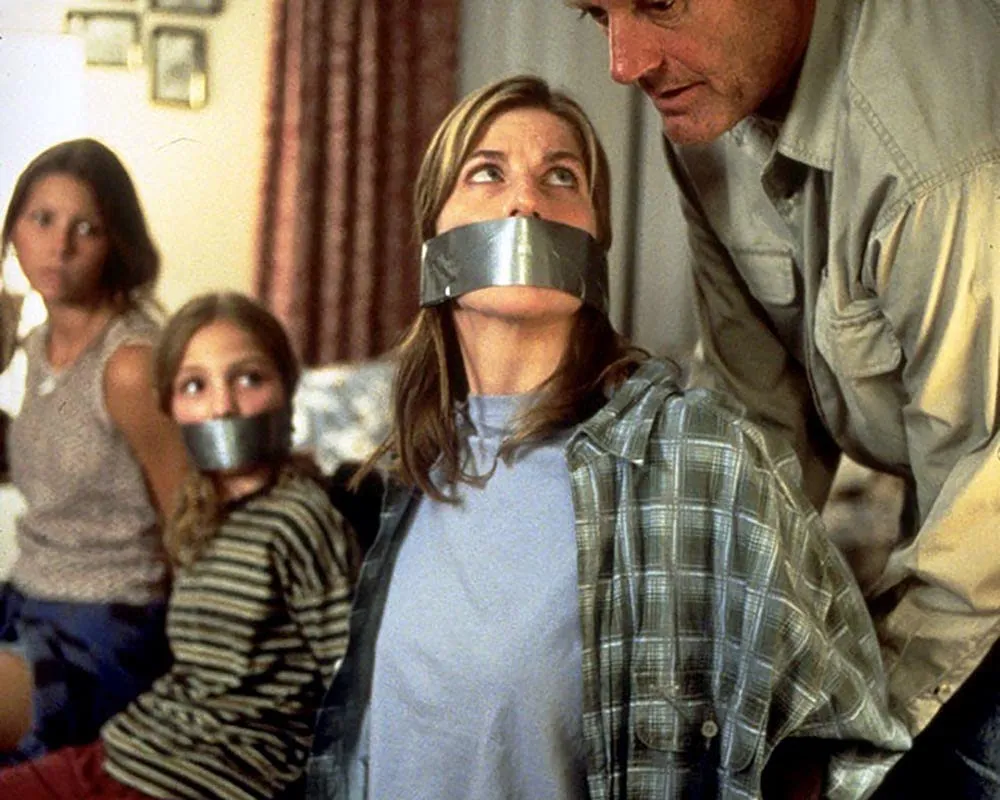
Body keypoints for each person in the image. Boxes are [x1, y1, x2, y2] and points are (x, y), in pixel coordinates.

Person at [304, 75, 908, 800]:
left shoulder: (697, 455)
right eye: (487, 173)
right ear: (434, 240)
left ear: (596, 245)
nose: (526, 202)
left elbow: (843, 743)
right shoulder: (415, 470)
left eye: (561, 176)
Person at [567, 0, 1000, 794]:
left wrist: (845, 749)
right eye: (599, 13)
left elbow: (982, 521)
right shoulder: (709, 108)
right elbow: (755, 423)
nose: (624, 64)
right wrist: (727, 681)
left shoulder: (940, 161)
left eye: (660, 3)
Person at [0, 291, 358, 799]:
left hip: (215, 778)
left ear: (286, 387)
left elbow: (352, 680)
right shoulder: (198, 516)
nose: (223, 406)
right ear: (170, 407)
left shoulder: (300, 518)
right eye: (195, 386)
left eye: (249, 379)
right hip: (136, 748)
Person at [0, 138, 190, 761]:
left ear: (116, 244)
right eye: (42, 220)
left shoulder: (130, 363)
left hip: (107, 625)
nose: (60, 246)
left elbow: (190, 523)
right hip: (23, 598)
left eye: (87, 228)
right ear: (13, 231)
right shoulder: (35, 344)